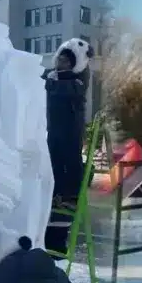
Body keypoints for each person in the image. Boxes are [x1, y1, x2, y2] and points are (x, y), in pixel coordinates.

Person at [43, 39, 92, 253]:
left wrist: (50, 82)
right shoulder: (53, 77)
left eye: (66, 61)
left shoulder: (78, 80)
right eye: (60, 59)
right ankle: (50, 240)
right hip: (53, 134)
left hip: (69, 135)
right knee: (52, 170)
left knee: (67, 170)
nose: (61, 63)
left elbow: (67, 89)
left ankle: (58, 240)